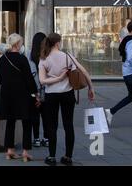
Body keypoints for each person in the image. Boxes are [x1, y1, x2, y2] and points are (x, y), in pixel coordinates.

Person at [39, 33, 95, 166]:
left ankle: (51, 157)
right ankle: (68, 157)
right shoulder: (67, 56)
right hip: (67, 94)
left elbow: (42, 81)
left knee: (52, 126)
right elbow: (84, 71)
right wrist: (91, 88)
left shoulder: (44, 59)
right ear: (58, 43)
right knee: (68, 125)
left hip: (51, 95)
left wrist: (56, 79)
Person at [0, 33, 38, 162]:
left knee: (10, 122)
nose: (21, 45)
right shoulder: (22, 59)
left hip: (7, 95)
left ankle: (9, 151)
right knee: (27, 122)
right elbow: (29, 79)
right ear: (17, 44)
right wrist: (35, 93)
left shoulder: (3, 59)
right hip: (22, 95)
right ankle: (25, 152)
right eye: (20, 42)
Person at [27, 32, 50, 148]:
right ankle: (46, 138)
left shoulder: (29, 57)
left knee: (35, 116)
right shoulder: (47, 56)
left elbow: (28, 76)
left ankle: (36, 138)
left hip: (33, 91)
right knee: (45, 116)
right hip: (45, 90)